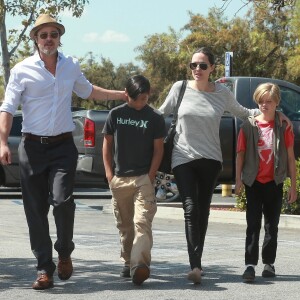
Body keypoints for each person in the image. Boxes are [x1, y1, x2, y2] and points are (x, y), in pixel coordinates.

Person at [0, 14, 126, 290]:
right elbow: (7, 107)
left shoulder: (71, 66)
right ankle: (44, 268)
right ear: (35, 39)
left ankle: (65, 251)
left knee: (63, 201)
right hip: (32, 147)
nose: (48, 39)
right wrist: (1, 143)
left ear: (59, 38)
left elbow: (89, 90)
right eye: (43, 35)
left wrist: (121, 95)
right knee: (35, 210)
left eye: (53, 35)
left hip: (62, 146)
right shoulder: (22, 70)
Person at [158, 47, 291, 284]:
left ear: (212, 68)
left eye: (202, 65)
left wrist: (276, 113)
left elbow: (245, 112)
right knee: (190, 208)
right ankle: (195, 265)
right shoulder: (179, 89)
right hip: (183, 157)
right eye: (193, 65)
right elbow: (160, 113)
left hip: (210, 160)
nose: (197, 69)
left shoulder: (221, 92)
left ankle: (197, 256)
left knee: (203, 210)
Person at [102, 75, 165, 285]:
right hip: (120, 179)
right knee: (126, 226)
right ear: (126, 94)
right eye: (136, 99)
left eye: (145, 99)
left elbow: (158, 150)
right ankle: (128, 262)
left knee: (142, 223)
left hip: (142, 180)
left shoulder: (155, 117)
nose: (140, 103)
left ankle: (140, 265)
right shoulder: (115, 114)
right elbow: (107, 146)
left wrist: (150, 176)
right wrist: (110, 175)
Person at [235, 83, 297, 283]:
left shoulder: (283, 126)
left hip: (275, 182)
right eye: (261, 101)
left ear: (277, 102)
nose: (264, 105)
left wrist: (293, 186)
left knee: (272, 226)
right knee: (252, 225)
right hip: (254, 182)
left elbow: (289, 157)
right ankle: (249, 265)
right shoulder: (248, 126)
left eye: (268, 101)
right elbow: (240, 155)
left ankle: (269, 263)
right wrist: (238, 180)